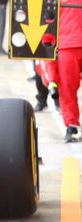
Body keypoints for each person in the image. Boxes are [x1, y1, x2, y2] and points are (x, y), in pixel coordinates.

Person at [57, 0, 82, 142]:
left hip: (66, 45)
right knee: (67, 87)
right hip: (66, 45)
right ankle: (71, 125)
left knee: (67, 87)